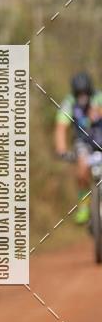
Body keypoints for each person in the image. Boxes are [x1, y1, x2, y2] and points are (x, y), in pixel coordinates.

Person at [55, 71, 102, 224]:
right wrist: (61, 150)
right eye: (79, 93)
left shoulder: (99, 97)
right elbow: (61, 127)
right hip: (83, 142)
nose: (82, 96)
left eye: (85, 93)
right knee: (82, 165)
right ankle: (84, 205)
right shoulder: (69, 102)